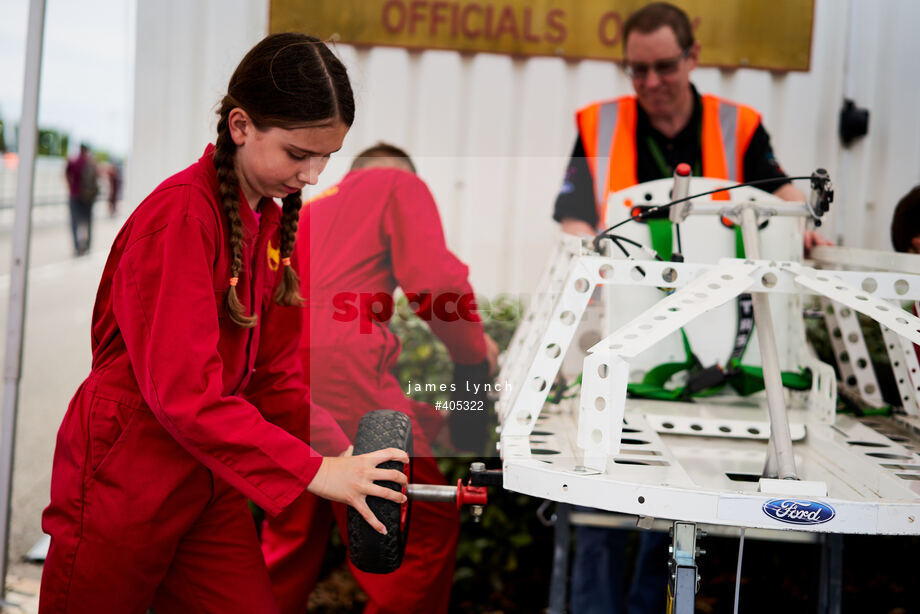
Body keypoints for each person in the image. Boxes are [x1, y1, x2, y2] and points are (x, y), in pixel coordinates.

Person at [39, 33, 411, 614]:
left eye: (327, 157)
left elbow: (275, 380)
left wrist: (348, 461)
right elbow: (185, 395)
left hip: (204, 479)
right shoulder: (181, 219)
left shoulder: (267, 224)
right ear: (241, 126)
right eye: (297, 154)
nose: (313, 175)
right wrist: (316, 471)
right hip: (127, 470)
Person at [552, 3, 829, 613]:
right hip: (621, 343)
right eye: (637, 70)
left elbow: (779, 194)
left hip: (710, 351)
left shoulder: (740, 126)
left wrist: (803, 231)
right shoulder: (598, 124)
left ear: (693, 56)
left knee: (675, 495)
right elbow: (573, 211)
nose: (651, 83)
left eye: (664, 67)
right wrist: (582, 261)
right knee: (600, 492)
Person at [260, 143, 498, 614]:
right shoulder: (396, 183)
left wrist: (430, 418)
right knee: (421, 529)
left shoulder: (304, 209)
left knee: (291, 530)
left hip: (281, 376)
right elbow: (435, 283)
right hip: (344, 372)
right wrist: (476, 356)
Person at [64, 143, 99, 255]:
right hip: (88, 198)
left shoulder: (74, 162)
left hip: (75, 196)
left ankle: (77, 248)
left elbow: (66, 173)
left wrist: (70, 187)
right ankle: (88, 246)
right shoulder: (91, 163)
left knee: (75, 223)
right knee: (88, 222)